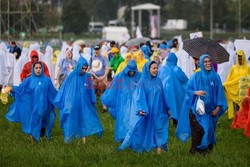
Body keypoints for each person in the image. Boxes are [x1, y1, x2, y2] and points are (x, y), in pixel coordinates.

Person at [176, 54, 228, 155]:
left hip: (211, 111)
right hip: (197, 111)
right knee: (200, 131)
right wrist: (196, 92)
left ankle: (207, 152)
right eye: (205, 62)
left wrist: (218, 107)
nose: (208, 63)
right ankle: (195, 152)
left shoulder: (216, 76)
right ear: (200, 63)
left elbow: (220, 93)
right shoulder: (196, 76)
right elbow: (187, 91)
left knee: (210, 129)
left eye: (209, 61)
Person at [118, 61, 169, 154]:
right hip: (146, 111)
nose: (156, 70)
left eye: (157, 68)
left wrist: (167, 108)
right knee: (142, 130)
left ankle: (159, 151)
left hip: (158, 111)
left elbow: (163, 96)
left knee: (159, 128)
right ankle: (140, 148)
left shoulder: (159, 80)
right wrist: (141, 109)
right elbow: (139, 96)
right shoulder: (142, 81)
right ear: (148, 69)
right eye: (153, 68)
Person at [54, 57, 103, 143]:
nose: (84, 70)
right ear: (79, 66)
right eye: (82, 68)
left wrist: (92, 100)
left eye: (85, 68)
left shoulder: (87, 77)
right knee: (72, 118)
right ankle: (71, 136)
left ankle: (84, 140)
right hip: (73, 102)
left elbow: (90, 89)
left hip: (85, 102)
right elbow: (65, 89)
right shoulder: (71, 76)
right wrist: (67, 102)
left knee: (85, 118)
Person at [5, 62, 57, 143]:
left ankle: (42, 129)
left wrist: (58, 100)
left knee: (48, 118)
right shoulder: (28, 80)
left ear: (42, 69)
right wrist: (12, 89)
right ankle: (33, 141)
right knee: (31, 120)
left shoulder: (47, 80)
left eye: (40, 68)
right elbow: (21, 89)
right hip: (31, 105)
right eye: (36, 68)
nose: (38, 70)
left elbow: (53, 92)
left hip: (44, 106)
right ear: (33, 69)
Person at [101, 60, 141, 142]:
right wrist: (106, 100)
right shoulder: (120, 76)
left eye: (134, 71)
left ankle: (134, 136)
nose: (132, 73)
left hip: (135, 102)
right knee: (124, 118)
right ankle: (124, 136)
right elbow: (113, 89)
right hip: (123, 102)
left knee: (134, 118)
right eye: (130, 71)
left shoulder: (139, 76)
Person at [159, 53, 188, 126]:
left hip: (163, 91)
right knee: (176, 105)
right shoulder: (176, 69)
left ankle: (163, 122)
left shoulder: (162, 69)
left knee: (164, 106)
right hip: (176, 92)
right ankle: (176, 121)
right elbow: (184, 79)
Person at [224, 50, 250, 119]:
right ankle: (236, 122)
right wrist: (226, 85)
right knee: (236, 107)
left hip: (244, 92)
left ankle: (243, 121)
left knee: (245, 107)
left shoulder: (247, 68)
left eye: (241, 58)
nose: (240, 60)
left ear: (244, 57)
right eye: (239, 58)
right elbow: (229, 79)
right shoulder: (234, 68)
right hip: (234, 92)